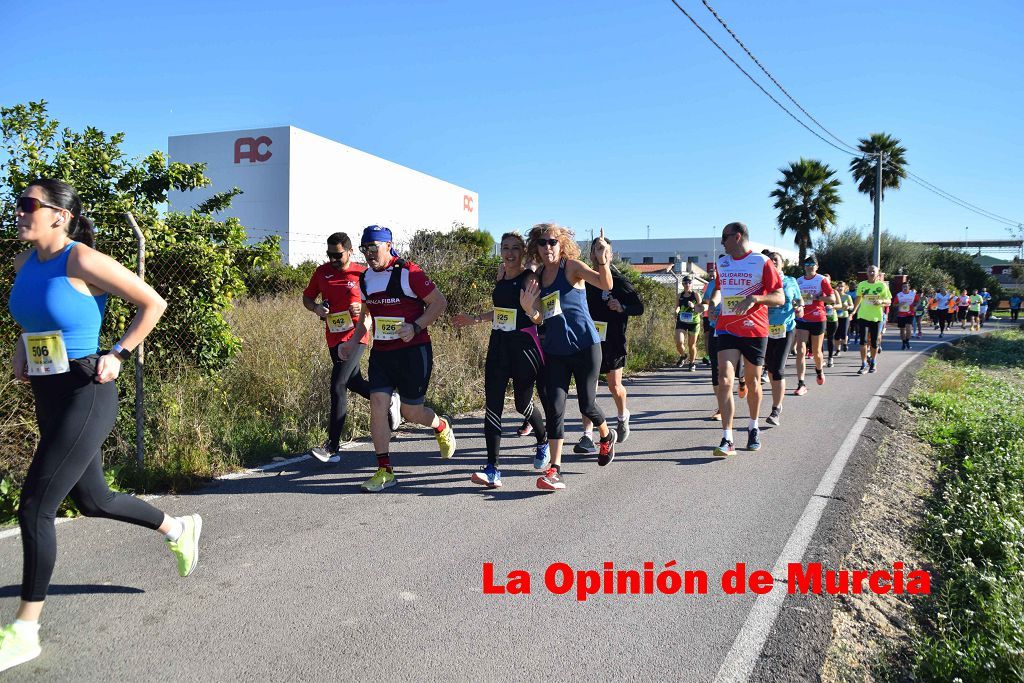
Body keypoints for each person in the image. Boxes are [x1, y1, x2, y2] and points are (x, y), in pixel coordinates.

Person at [1, 180, 201, 673]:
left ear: (58, 216)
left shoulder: (82, 260)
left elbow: (153, 303)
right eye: (17, 204)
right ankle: (178, 528)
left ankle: (25, 630)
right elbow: (31, 321)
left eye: (29, 205)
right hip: (47, 392)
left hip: (86, 390)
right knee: (93, 499)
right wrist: (19, 350)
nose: (19, 212)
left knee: (35, 507)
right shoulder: (22, 264)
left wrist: (118, 353)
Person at [338, 226, 456, 492]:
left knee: (411, 412)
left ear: (388, 245)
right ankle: (384, 470)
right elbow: (366, 317)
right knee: (378, 404)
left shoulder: (409, 272)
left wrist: (415, 326)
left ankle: (440, 424)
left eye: (374, 248)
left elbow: (439, 303)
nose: (369, 254)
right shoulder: (366, 279)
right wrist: (352, 342)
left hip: (414, 353)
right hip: (382, 354)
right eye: (364, 249)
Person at [520, 223, 615, 491]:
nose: (547, 247)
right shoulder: (536, 278)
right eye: (541, 243)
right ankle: (555, 469)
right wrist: (529, 310)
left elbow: (604, 283)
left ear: (561, 244)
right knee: (555, 409)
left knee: (587, 406)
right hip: (556, 351)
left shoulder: (571, 267)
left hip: (586, 346)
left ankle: (607, 435)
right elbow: (540, 318)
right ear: (535, 247)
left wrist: (602, 260)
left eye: (552, 242)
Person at [452, 232, 549, 488]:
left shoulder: (529, 279)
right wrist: (474, 319)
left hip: (524, 348)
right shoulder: (501, 275)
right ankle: (493, 468)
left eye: (515, 248)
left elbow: (540, 317)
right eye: (505, 248)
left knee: (522, 405)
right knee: (492, 407)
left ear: (523, 252)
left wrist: (531, 310)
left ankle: (543, 439)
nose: (509, 253)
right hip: (498, 346)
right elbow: (500, 312)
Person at [302, 232, 400, 462]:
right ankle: (390, 399)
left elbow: (380, 302)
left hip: (357, 335)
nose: (333, 259)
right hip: (333, 337)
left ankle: (332, 448)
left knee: (338, 385)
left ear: (350, 251)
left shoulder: (362, 273)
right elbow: (307, 298)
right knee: (354, 382)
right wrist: (316, 308)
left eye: (337, 255)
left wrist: (362, 307)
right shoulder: (322, 272)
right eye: (329, 255)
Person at [707, 222, 784, 455]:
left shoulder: (761, 262)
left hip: (755, 330)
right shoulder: (723, 262)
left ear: (737, 237)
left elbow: (779, 297)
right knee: (725, 380)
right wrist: (713, 302)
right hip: (727, 328)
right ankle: (727, 438)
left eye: (725, 237)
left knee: (752, 382)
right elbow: (719, 289)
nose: (722, 242)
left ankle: (753, 426)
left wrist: (755, 299)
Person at [577, 238, 644, 450]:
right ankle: (587, 436)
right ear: (591, 256)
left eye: (604, 250)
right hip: (589, 341)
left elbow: (639, 307)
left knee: (615, 386)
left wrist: (622, 306)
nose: (600, 253)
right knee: (589, 391)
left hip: (613, 341)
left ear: (610, 255)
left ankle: (623, 416)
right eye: (597, 249)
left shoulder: (619, 281)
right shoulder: (583, 280)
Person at [763, 251, 803, 427]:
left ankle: (776, 409)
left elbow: (799, 299)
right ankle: (776, 395)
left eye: (776, 260)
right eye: (770, 260)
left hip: (786, 329)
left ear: (782, 264)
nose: (773, 261)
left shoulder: (791, 282)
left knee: (778, 369)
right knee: (770, 369)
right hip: (765, 330)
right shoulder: (762, 282)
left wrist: (799, 306)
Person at [792, 256, 834, 394]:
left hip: (818, 318)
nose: (810, 266)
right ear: (804, 266)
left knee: (816, 352)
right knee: (801, 351)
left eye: (812, 264)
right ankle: (801, 383)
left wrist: (816, 297)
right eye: (807, 264)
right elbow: (795, 298)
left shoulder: (821, 279)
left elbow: (832, 298)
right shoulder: (799, 281)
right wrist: (796, 305)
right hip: (803, 318)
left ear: (817, 266)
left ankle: (819, 370)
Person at [852, 265, 893, 374]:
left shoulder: (882, 286)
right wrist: (854, 311)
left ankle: (873, 362)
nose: (871, 273)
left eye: (873, 271)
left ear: (878, 273)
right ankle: (864, 363)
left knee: (874, 342)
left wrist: (881, 302)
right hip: (863, 316)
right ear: (867, 273)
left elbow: (889, 301)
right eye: (869, 271)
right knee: (863, 341)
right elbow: (859, 298)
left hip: (877, 317)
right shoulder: (862, 285)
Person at [674, 276, 702, 371]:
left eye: (689, 283)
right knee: (679, 343)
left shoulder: (696, 295)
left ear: (692, 284)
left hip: (693, 322)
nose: (687, 285)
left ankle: (692, 362)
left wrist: (693, 306)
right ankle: (683, 355)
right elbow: (677, 306)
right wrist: (676, 311)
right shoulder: (680, 295)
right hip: (682, 321)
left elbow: (700, 309)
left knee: (691, 345)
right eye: (685, 283)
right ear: (683, 284)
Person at [894, 280, 919, 350]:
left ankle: (907, 341)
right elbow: (894, 305)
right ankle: (903, 343)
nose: (904, 288)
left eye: (906, 287)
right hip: (901, 314)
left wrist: (916, 306)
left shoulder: (913, 294)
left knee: (908, 328)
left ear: (909, 287)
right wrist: (899, 304)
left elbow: (917, 301)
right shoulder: (899, 295)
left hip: (910, 313)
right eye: (903, 287)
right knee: (902, 330)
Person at [834, 281, 854, 354]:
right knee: (836, 335)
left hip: (845, 316)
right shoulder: (834, 296)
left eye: (842, 286)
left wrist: (848, 307)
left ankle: (845, 344)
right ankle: (838, 350)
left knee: (844, 333)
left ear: (845, 288)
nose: (840, 288)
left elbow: (852, 306)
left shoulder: (847, 296)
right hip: (835, 317)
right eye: (839, 286)